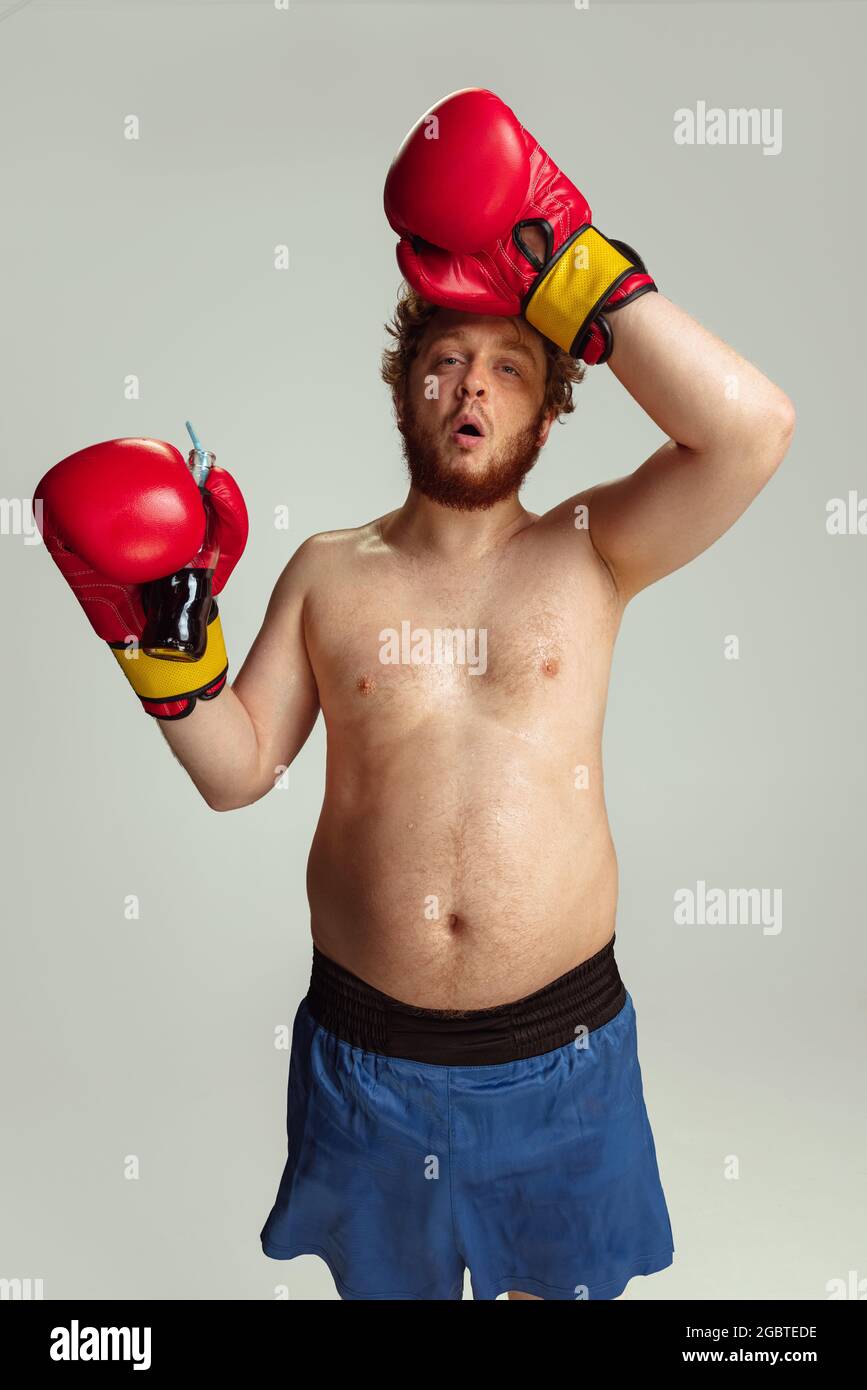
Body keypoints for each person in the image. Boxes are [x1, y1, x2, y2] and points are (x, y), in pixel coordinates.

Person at [35, 90, 794, 1301]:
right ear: (405, 389)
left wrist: (574, 267)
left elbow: (753, 430)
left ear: (550, 405)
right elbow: (239, 771)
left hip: (565, 1059)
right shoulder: (331, 572)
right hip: (371, 1064)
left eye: (507, 365)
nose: (471, 390)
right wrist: (159, 641)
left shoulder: (594, 547)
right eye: (444, 362)